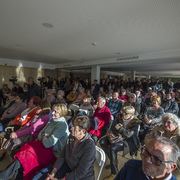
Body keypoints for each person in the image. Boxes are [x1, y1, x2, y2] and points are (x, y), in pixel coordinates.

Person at [0, 104, 70, 180]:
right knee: (23, 155)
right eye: (53, 111)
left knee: (25, 156)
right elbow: (40, 134)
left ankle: (4, 175)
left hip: (53, 152)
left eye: (55, 112)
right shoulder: (51, 120)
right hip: (42, 147)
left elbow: (48, 144)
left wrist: (44, 138)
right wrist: (45, 138)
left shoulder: (62, 125)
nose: (52, 113)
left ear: (61, 113)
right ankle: (6, 175)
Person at [33, 115, 96, 180]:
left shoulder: (89, 146)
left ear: (82, 131)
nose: (71, 129)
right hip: (68, 167)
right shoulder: (72, 137)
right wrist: (53, 171)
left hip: (81, 177)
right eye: (72, 126)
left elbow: (81, 172)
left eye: (75, 128)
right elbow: (63, 154)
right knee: (41, 176)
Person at [100, 106, 140, 180]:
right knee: (102, 142)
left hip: (128, 142)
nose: (123, 115)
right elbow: (113, 127)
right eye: (123, 113)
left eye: (126, 114)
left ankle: (114, 173)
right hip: (117, 137)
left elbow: (129, 135)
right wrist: (120, 133)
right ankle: (114, 161)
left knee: (112, 149)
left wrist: (121, 129)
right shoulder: (120, 117)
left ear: (132, 115)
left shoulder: (136, 123)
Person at [114, 136, 180, 180]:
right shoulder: (130, 167)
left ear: (171, 167)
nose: (147, 160)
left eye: (156, 159)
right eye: (146, 152)